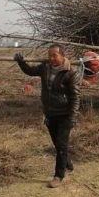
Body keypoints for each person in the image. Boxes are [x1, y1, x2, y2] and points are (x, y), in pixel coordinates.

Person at [15, 45, 81, 188]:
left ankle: (58, 176)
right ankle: (67, 163)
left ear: (62, 55)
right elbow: (30, 71)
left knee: (62, 145)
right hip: (50, 113)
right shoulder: (45, 67)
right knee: (57, 144)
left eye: (54, 55)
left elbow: (75, 96)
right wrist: (21, 62)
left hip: (65, 114)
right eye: (49, 55)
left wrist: (72, 117)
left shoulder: (70, 72)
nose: (51, 58)